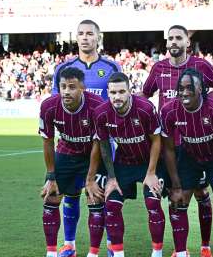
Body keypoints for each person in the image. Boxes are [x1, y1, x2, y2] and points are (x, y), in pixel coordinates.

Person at [141, 25, 213, 256]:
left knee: (201, 192)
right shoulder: (158, 68)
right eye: (170, 38)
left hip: (197, 144)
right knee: (176, 197)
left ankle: (205, 247)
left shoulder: (201, 66)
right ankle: (179, 250)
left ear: (188, 42)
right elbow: (145, 96)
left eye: (179, 38)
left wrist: (203, 106)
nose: (174, 42)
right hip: (168, 145)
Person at [50, 19, 122, 257]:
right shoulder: (64, 69)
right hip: (71, 143)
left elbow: (118, 101)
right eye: (80, 33)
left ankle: (112, 245)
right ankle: (69, 244)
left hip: (102, 144)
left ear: (97, 37)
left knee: (103, 196)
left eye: (89, 33)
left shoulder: (111, 68)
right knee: (69, 194)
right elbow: (55, 103)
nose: (84, 37)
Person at [160, 68, 213, 257]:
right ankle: (182, 252)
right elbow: (168, 149)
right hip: (189, 156)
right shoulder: (169, 110)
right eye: (181, 88)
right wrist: (175, 185)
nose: (184, 92)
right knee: (177, 201)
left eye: (190, 87)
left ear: (201, 88)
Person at [92, 72, 166, 257]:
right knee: (112, 205)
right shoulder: (101, 113)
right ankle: (118, 254)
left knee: (152, 202)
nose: (117, 97)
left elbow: (156, 141)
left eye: (121, 91)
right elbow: (104, 145)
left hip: (149, 162)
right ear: (108, 93)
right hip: (124, 163)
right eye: (113, 92)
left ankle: (157, 253)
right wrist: (111, 177)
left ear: (130, 91)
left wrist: (151, 173)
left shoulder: (145, 108)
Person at [39, 67, 106, 257]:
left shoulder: (96, 105)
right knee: (51, 197)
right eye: (63, 86)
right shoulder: (48, 106)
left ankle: (94, 253)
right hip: (66, 152)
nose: (66, 91)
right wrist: (51, 176)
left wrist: (91, 178)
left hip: (92, 155)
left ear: (82, 87)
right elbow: (47, 141)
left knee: (95, 198)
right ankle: (60, 250)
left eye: (72, 87)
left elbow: (98, 144)